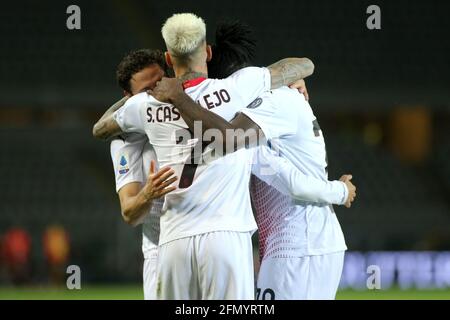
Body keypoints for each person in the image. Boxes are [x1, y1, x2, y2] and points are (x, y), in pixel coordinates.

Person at [93, 13, 349, 300]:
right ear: (208, 52)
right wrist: (289, 79)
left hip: (173, 239)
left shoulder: (143, 105)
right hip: (226, 235)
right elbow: (303, 64)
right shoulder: (237, 88)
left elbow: (100, 127)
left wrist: (142, 97)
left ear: (168, 58)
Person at [94, 49, 177, 299]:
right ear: (129, 98)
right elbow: (130, 213)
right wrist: (148, 194)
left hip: (206, 244)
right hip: (161, 252)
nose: (156, 95)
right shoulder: (125, 143)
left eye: (160, 83)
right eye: (145, 92)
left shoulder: (188, 112)